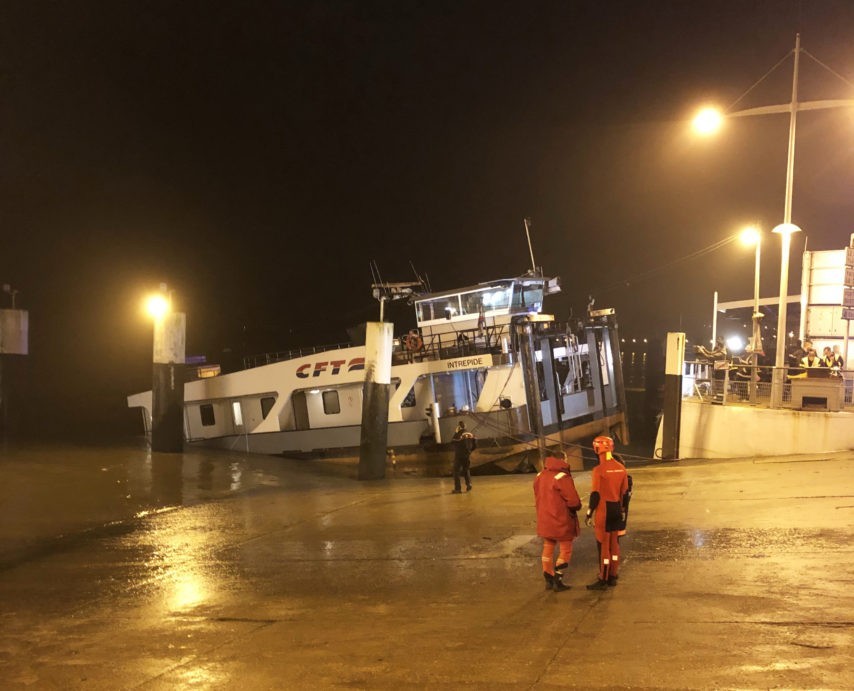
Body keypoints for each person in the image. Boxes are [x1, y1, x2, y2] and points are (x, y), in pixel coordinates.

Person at [533, 449, 582, 592]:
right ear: (563, 459)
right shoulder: (562, 477)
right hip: (561, 519)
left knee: (548, 547)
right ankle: (558, 578)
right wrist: (577, 507)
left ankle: (548, 577)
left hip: (544, 518)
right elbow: (573, 501)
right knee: (565, 549)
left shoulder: (540, 475)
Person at [585, 435, 629, 590]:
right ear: (611, 448)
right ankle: (613, 575)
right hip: (616, 509)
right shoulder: (621, 468)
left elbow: (595, 495)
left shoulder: (598, 470)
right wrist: (623, 511)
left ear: (597, 449)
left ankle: (602, 578)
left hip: (604, 511)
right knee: (614, 545)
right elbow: (625, 493)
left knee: (604, 547)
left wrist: (589, 513)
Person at [450, 421, 476, 494]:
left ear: (459, 426)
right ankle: (469, 484)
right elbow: (475, 444)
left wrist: (456, 432)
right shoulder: (470, 434)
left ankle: (458, 489)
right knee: (466, 470)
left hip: (459, 456)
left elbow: (452, 442)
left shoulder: (458, 434)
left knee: (456, 472)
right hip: (467, 455)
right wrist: (470, 451)